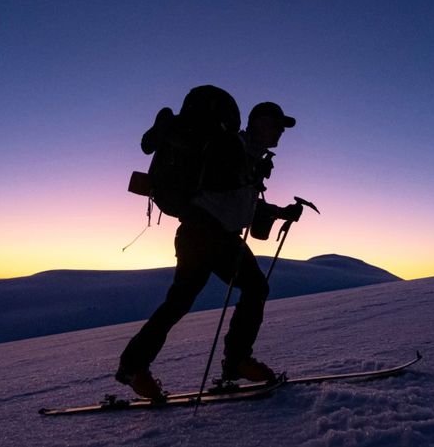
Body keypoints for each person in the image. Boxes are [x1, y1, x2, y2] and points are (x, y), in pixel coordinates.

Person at [116, 101, 303, 400]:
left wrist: (281, 212)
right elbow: (220, 183)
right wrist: (249, 173)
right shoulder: (230, 146)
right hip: (202, 233)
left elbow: (239, 204)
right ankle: (139, 367)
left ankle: (231, 363)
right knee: (197, 298)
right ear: (259, 123)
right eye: (277, 123)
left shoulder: (250, 156)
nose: (281, 130)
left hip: (219, 236)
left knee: (234, 292)